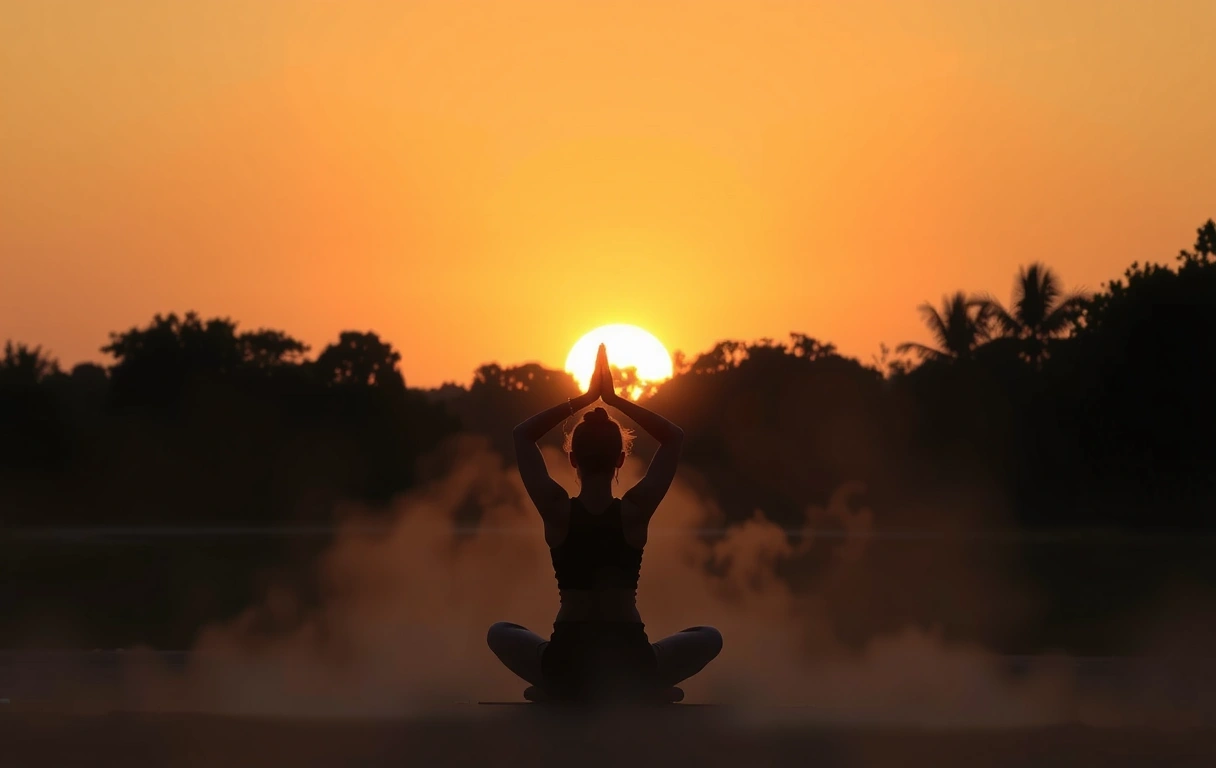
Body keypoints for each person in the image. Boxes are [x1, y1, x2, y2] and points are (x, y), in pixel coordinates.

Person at [487, 343, 722, 703]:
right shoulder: (634, 512)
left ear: (571, 459)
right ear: (621, 459)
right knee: (708, 636)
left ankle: (561, 688)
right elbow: (674, 437)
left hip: (567, 662)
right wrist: (614, 400)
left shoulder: (556, 510)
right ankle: (643, 688)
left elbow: (522, 435)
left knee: (500, 632)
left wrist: (582, 400)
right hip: (631, 661)